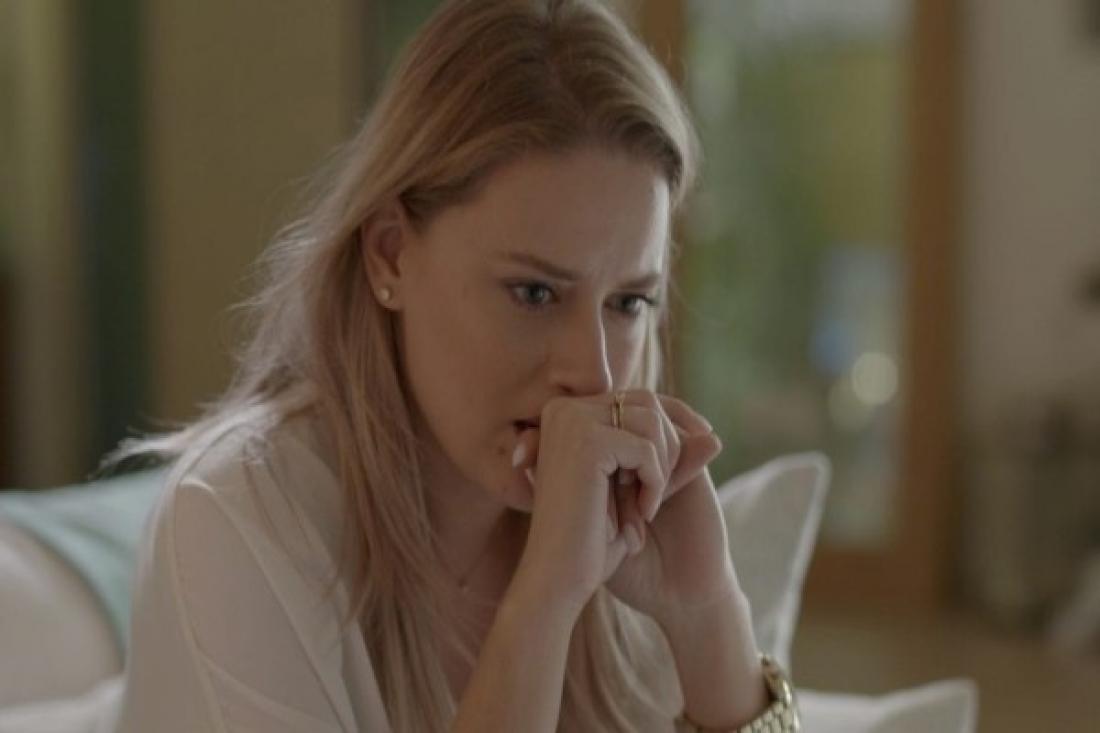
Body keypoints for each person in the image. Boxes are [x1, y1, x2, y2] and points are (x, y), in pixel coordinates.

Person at [111, 0, 801, 730]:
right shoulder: (237, 524)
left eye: (628, 303)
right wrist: (542, 604)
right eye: (534, 293)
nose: (595, 376)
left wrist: (706, 612)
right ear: (390, 255)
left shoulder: (625, 544)